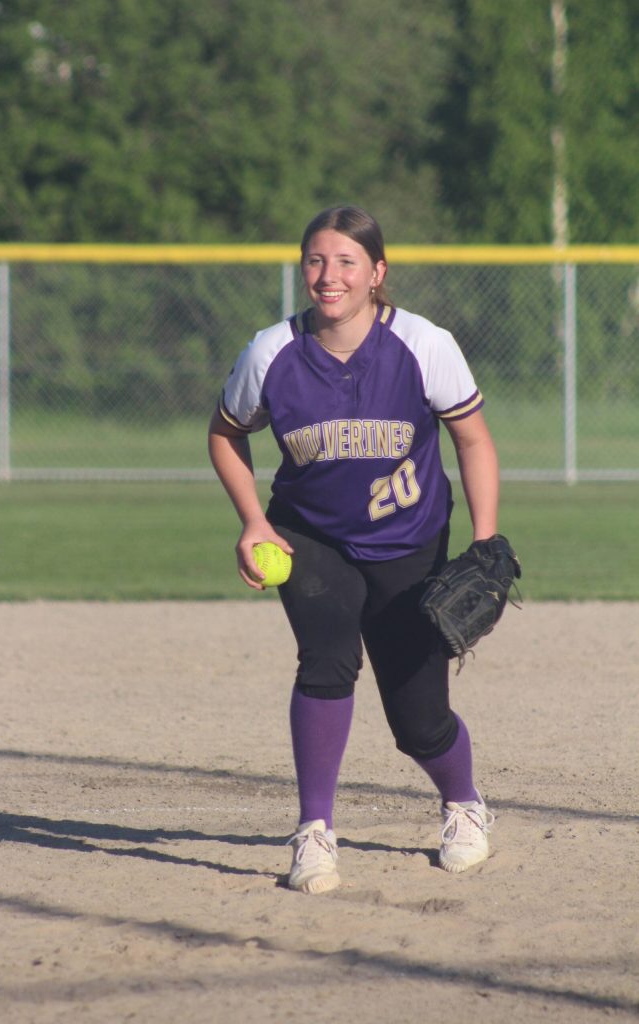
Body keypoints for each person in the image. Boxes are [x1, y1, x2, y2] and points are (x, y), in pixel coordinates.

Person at [208, 205, 500, 895]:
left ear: (377, 272)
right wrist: (253, 522)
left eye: (345, 261)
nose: (327, 275)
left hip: (409, 542)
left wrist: (485, 540)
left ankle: (463, 804)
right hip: (309, 538)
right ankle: (313, 832)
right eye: (315, 260)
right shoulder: (270, 352)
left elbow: (473, 441)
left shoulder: (423, 345)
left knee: (418, 718)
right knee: (325, 661)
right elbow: (224, 433)